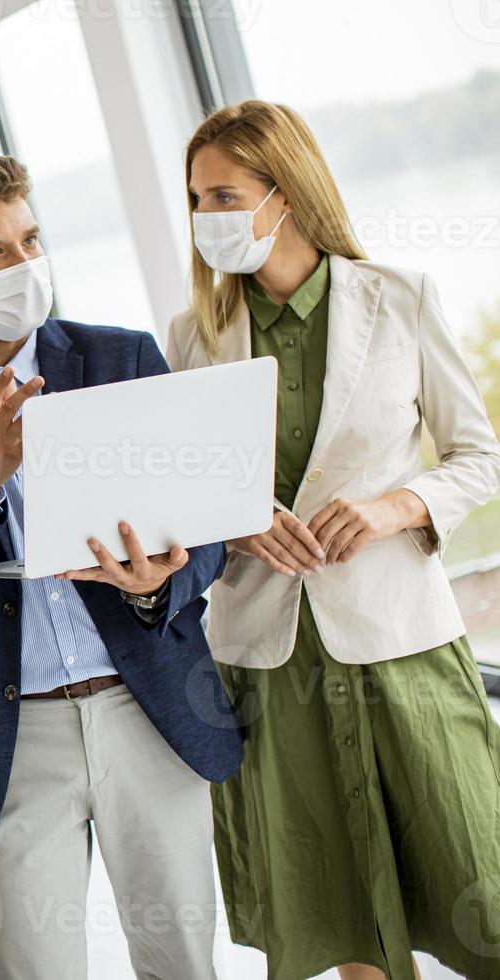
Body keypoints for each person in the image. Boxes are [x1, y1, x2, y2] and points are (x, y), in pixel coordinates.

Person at [0, 154, 244, 980]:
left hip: (149, 710)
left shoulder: (120, 357)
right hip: (5, 729)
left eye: (30, 239)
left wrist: (162, 581)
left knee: (183, 965)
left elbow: (208, 534)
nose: (25, 264)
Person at [165, 99, 500, 980]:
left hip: (400, 643)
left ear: (286, 191)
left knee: (477, 888)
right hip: (268, 660)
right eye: (197, 199)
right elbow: (180, 501)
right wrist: (233, 522)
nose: (208, 218)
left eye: (225, 195)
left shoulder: (399, 299)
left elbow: (479, 456)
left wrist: (397, 507)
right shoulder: (193, 340)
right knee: (344, 920)